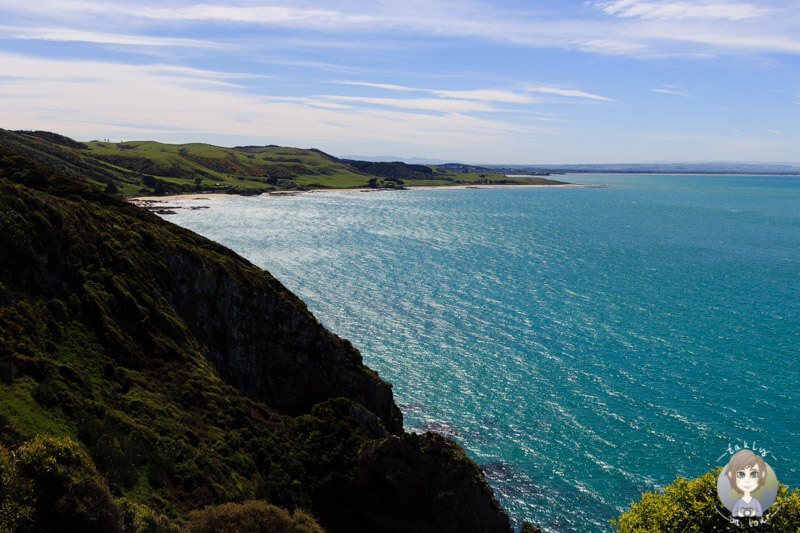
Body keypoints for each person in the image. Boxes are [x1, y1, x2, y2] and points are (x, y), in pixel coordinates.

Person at [724, 449, 767, 517]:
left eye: (754, 474)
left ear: (762, 475)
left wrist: (753, 513)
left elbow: (760, 513)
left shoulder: (755, 502)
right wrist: (739, 514)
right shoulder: (738, 502)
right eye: (741, 474)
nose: (747, 480)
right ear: (731, 475)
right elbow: (734, 514)